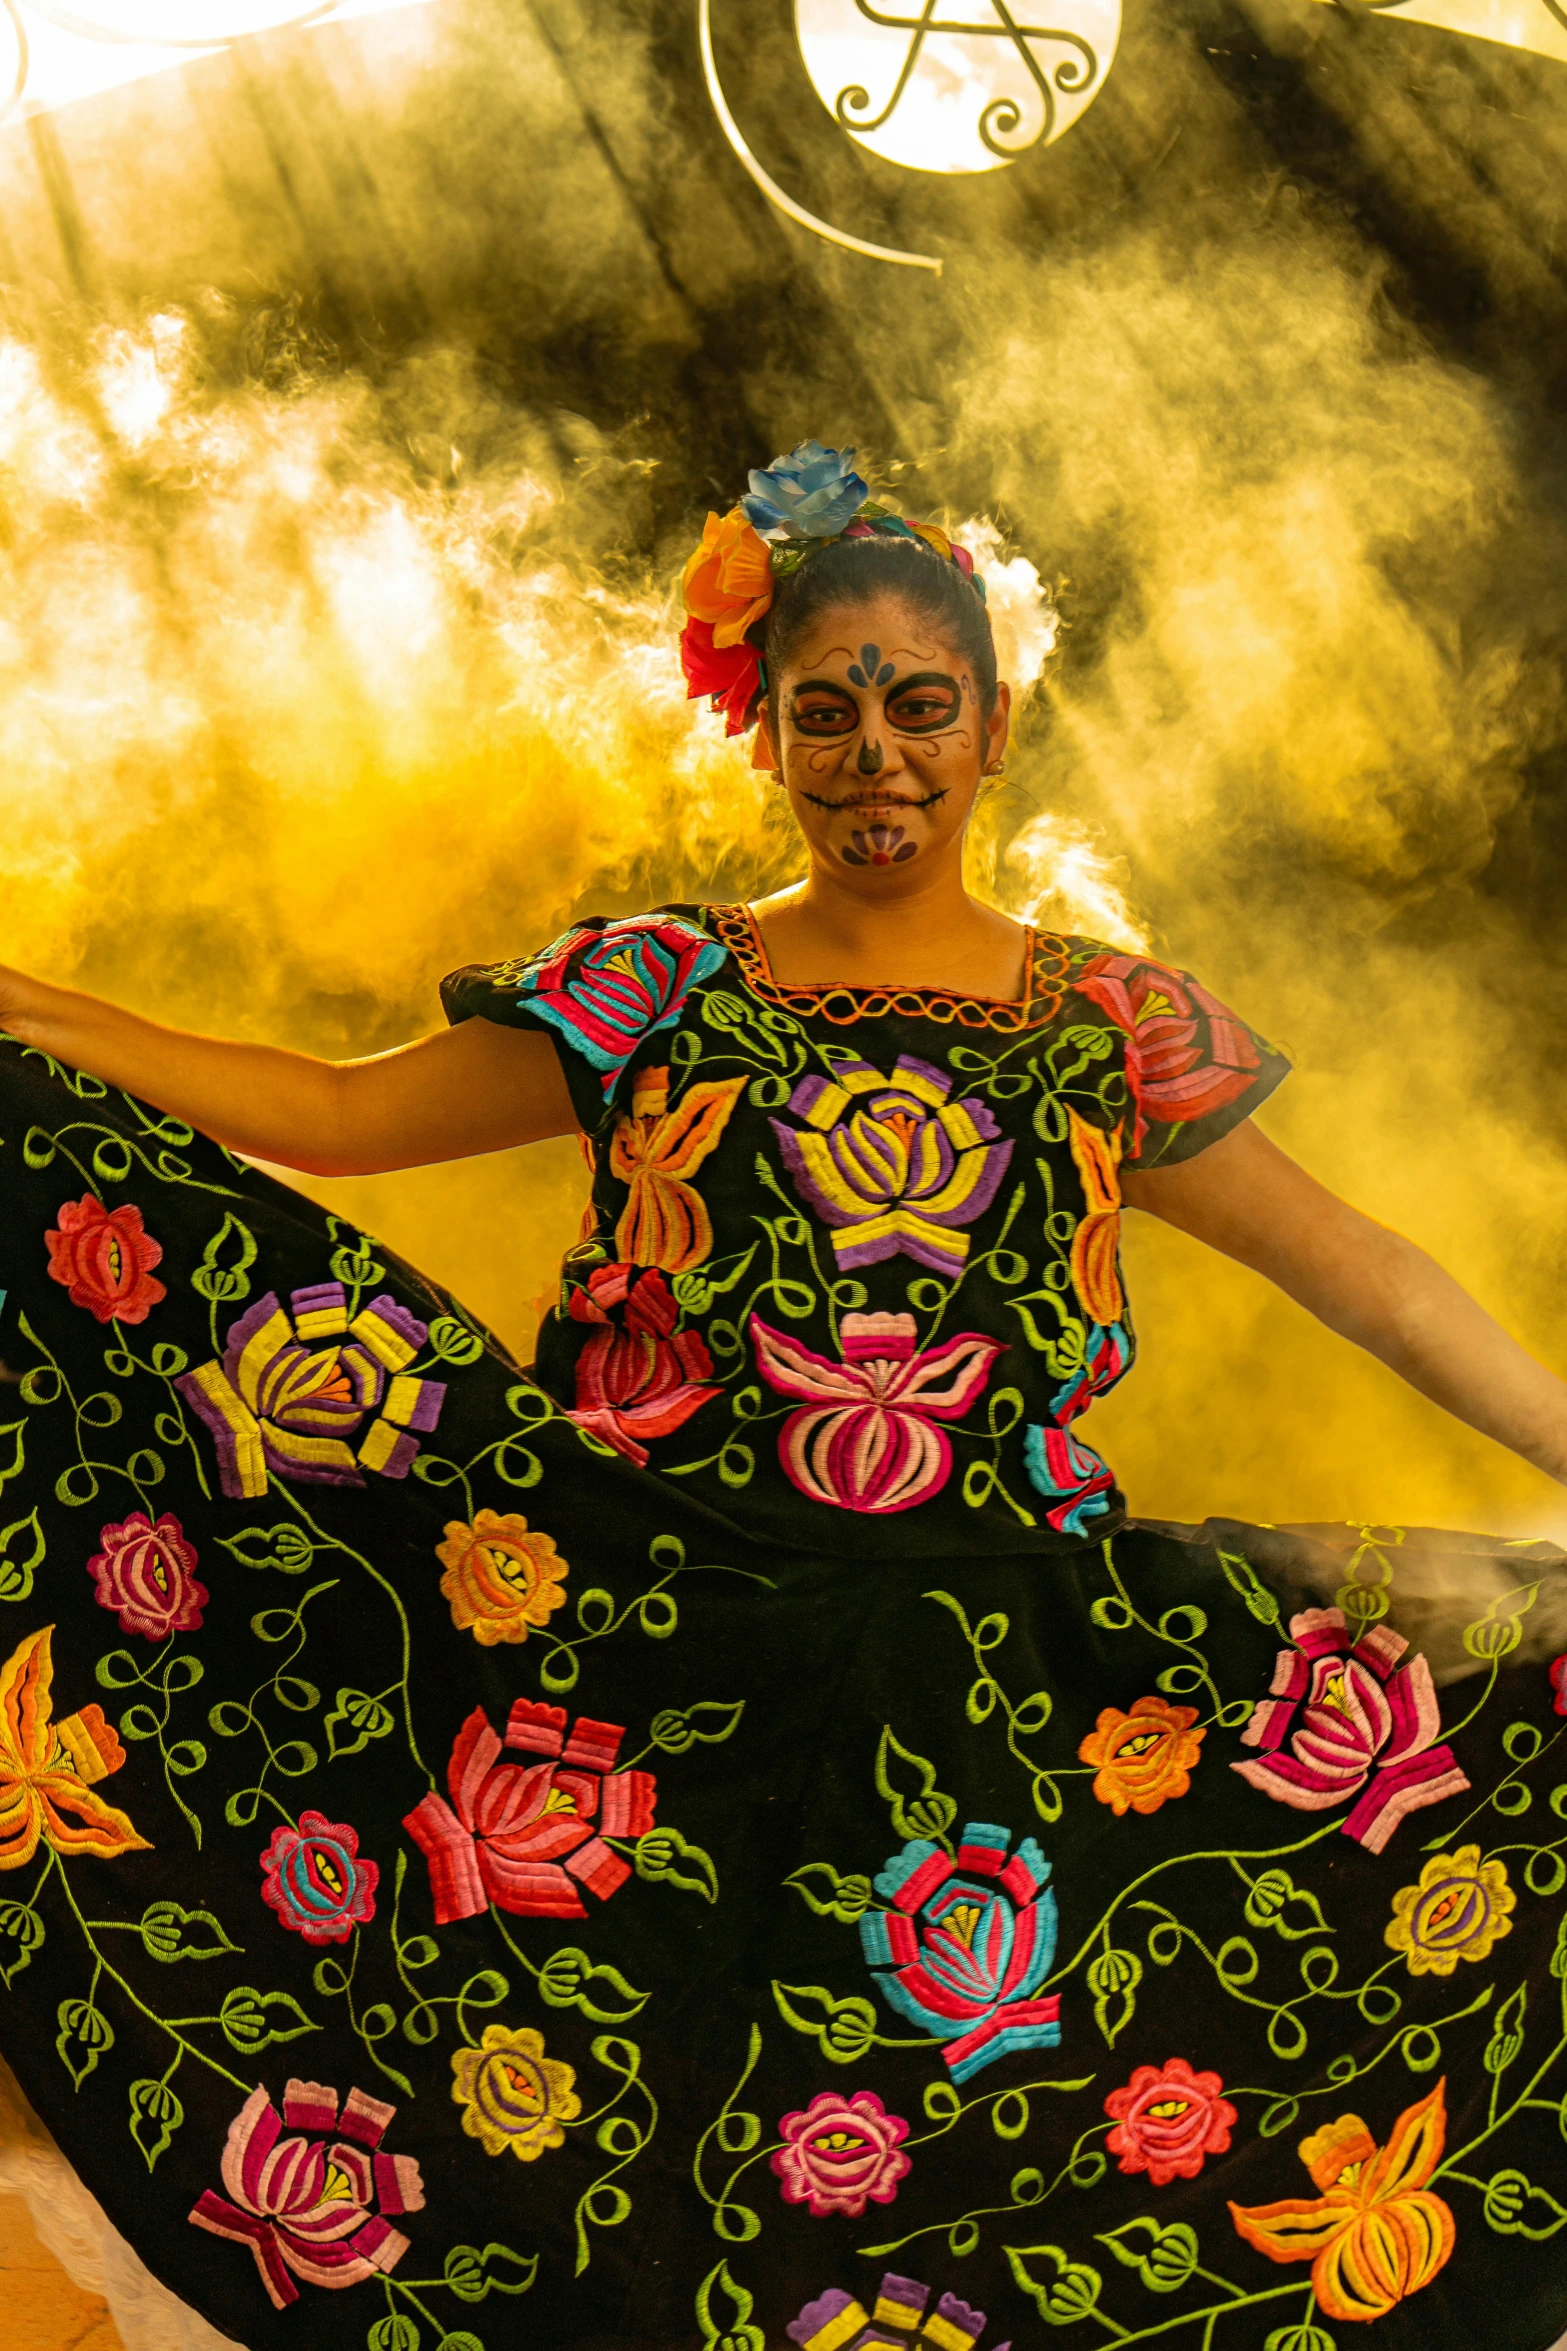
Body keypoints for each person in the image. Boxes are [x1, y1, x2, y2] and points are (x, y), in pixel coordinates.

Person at [0, 437, 1563, 2351]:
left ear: (993, 726)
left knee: (942, 2191)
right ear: (762, 731)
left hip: (996, 1679)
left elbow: (1373, 1274)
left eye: (921, 707)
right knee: (593, 2171)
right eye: (826, 711)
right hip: (647, 1651)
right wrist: (29, 1011)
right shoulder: (655, 988)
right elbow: (329, 1113)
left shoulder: (1100, 1030)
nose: (875, 753)